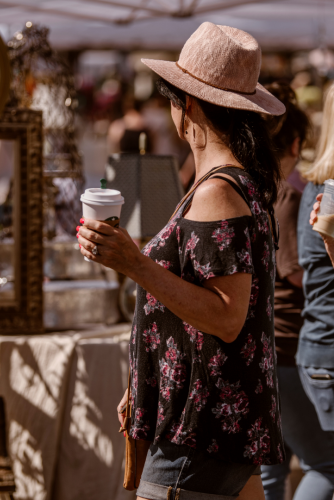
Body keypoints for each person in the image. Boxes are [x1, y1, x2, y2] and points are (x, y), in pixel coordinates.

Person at [77, 22, 285, 500]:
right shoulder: (232, 184)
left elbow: (226, 317)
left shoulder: (218, 192)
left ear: (186, 104)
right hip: (213, 427)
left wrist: (134, 262)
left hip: (198, 429)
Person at [259, 83, 334, 500]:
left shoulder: (271, 194)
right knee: (324, 467)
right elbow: (299, 273)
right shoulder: (287, 196)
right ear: (294, 142)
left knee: (273, 467)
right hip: (289, 346)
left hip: (278, 347)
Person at [297, 83, 334, 436]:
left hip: (316, 344)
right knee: (324, 470)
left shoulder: (315, 185)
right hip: (327, 349)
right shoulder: (329, 191)